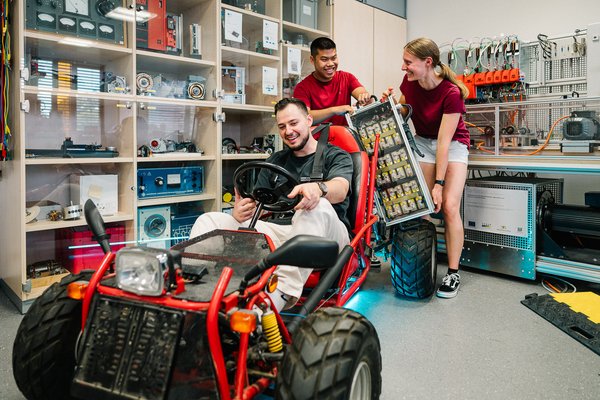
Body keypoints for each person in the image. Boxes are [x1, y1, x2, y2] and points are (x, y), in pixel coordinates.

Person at [189, 97, 353, 311]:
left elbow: (340, 189)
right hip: (280, 231)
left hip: (328, 235)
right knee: (210, 219)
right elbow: (260, 203)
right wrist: (241, 212)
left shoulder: (336, 155)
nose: (288, 131)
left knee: (314, 207)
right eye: (282, 126)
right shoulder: (276, 160)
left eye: (294, 123)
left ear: (309, 120)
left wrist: (319, 189)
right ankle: (197, 291)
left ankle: (273, 302)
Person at [383, 37, 470, 299]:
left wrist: (439, 185)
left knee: (449, 207)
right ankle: (420, 268)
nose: (403, 67)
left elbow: (444, 143)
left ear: (428, 62)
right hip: (423, 143)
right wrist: (392, 106)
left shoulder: (451, 94)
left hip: (452, 145)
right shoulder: (409, 83)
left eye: (408, 62)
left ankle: (453, 272)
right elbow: (404, 109)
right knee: (422, 209)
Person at [293, 37, 373, 126]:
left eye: (334, 58)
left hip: (345, 137)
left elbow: (361, 93)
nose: (330, 64)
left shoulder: (347, 78)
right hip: (317, 139)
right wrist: (334, 110)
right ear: (312, 60)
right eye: (324, 59)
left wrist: (365, 98)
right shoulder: (302, 88)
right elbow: (303, 117)